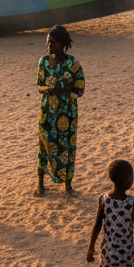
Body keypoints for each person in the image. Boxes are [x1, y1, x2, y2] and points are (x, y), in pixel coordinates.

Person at [35, 25, 85, 197]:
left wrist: (64, 92)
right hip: (47, 112)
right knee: (45, 145)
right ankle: (40, 184)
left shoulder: (73, 63)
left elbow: (80, 88)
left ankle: (68, 185)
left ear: (62, 44)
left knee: (67, 148)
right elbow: (39, 85)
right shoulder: (43, 62)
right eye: (48, 41)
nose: (49, 45)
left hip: (67, 114)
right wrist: (47, 89)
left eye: (53, 42)